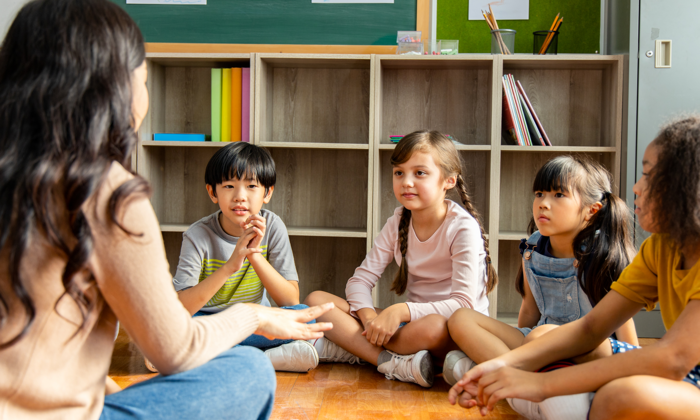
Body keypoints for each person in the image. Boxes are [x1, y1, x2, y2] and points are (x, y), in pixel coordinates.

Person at [0, 1, 332, 418]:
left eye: (251, 186)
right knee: (247, 371)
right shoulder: (107, 192)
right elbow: (175, 348)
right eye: (142, 79)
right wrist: (252, 314)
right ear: (113, 90)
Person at [450, 117, 700, 419]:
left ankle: (544, 398)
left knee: (620, 395)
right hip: (678, 370)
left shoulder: (604, 253)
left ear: (685, 187)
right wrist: (500, 367)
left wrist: (542, 384)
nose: (636, 186)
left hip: (689, 374)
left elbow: (673, 358)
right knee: (546, 336)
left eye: (648, 175)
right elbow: (591, 328)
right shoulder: (661, 248)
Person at [444, 155, 638, 419]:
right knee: (460, 318)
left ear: (592, 211)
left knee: (543, 334)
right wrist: (519, 343)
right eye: (539, 193)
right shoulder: (532, 249)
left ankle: (492, 374)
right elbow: (530, 311)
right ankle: (510, 374)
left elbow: (622, 325)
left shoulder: (600, 255)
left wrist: (631, 370)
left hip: (587, 350)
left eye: (559, 195)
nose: (543, 204)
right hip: (538, 343)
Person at [305, 130, 496, 388]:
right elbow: (360, 280)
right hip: (409, 325)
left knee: (433, 327)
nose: (406, 182)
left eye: (419, 173)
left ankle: (355, 349)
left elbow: (462, 305)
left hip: (448, 330)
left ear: (448, 180)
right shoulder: (397, 222)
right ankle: (393, 362)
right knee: (317, 301)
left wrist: (400, 310)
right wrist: (369, 318)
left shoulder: (462, 228)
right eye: (399, 173)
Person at [156, 142, 318, 374]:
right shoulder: (197, 235)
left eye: (251, 186)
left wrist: (254, 254)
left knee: (305, 317)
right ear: (213, 192)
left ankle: (208, 356)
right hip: (208, 321)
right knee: (170, 327)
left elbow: (290, 301)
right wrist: (231, 266)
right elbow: (182, 308)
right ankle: (266, 358)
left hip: (252, 322)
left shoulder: (272, 226)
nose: (240, 196)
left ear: (267, 193)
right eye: (229, 186)